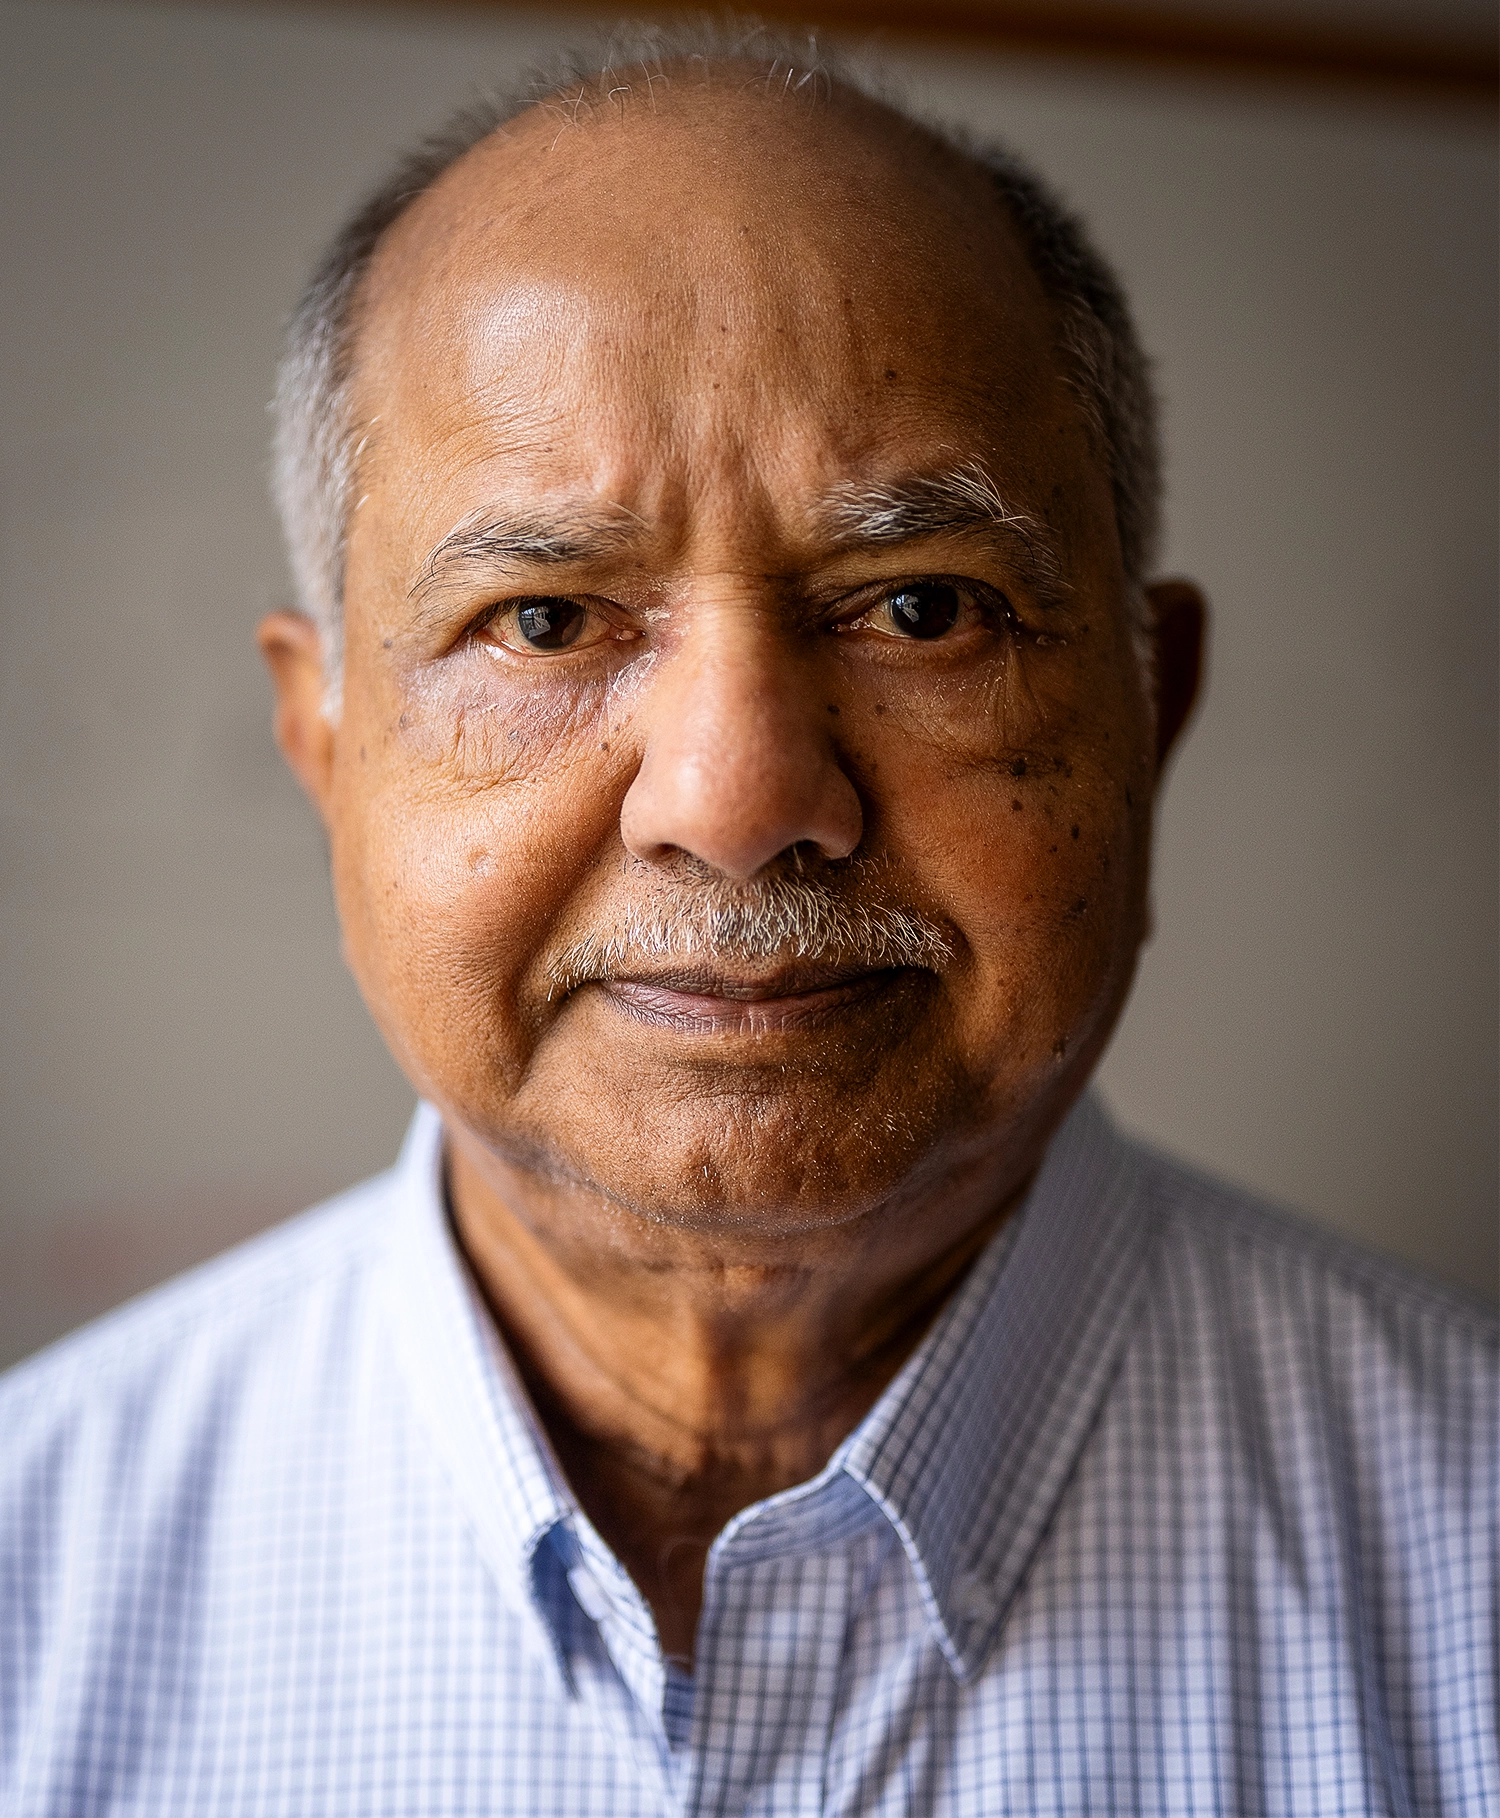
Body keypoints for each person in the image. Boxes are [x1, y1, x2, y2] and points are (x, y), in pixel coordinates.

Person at [2, 24, 1496, 1815]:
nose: (732, 797)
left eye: (923, 606)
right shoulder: (34, 1592)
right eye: (547, 621)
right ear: (323, 742)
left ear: (1150, 707)